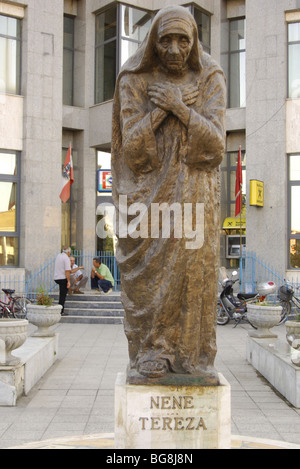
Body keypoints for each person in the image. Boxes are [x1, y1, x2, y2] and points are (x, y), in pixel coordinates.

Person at [111, 6, 226, 382]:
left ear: (194, 42)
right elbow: (133, 150)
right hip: (148, 198)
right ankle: (151, 348)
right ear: (153, 43)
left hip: (195, 194)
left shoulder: (209, 75)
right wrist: (163, 111)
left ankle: (191, 355)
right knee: (151, 277)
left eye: (182, 40)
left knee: (194, 271)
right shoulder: (134, 78)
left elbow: (215, 147)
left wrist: (180, 107)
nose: (174, 49)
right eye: (165, 40)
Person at [54, 246, 71, 315]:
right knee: (62, 296)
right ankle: (61, 311)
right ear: (68, 252)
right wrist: (68, 281)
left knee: (61, 294)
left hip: (57, 277)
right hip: (62, 278)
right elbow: (67, 271)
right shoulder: (66, 258)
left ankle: (60, 310)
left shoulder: (58, 256)